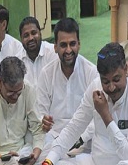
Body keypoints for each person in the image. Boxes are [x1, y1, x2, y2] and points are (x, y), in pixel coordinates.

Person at [35, 17, 99, 155]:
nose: (69, 50)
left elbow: (97, 116)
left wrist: (81, 139)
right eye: (63, 45)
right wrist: (42, 120)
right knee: (38, 159)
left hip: (84, 140)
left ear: (79, 44)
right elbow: (40, 112)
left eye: (73, 44)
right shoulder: (46, 73)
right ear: (55, 47)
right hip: (54, 138)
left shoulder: (91, 72)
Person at [19, 16, 58, 85]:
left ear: (40, 33)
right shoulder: (18, 60)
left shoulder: (53, 53)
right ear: (21, 39)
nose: (31, 38)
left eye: (34, 33)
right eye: (26, 35)